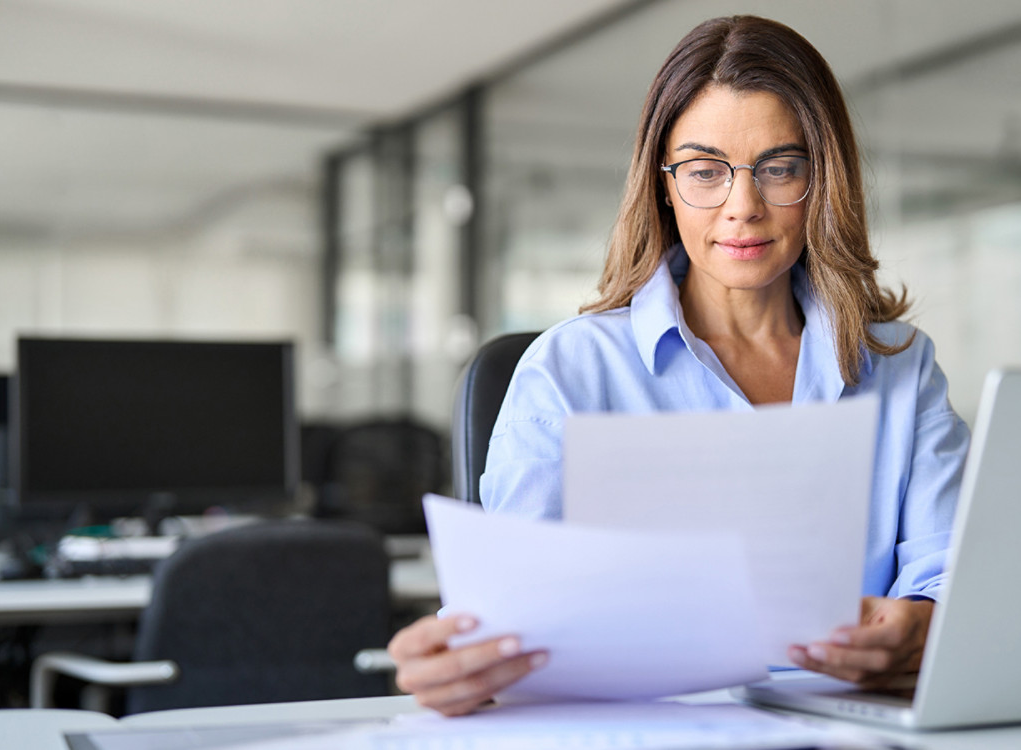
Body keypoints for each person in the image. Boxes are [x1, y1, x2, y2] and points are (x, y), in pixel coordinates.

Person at [388, 15, 970, 717]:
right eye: (704, 172)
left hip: (848, 729)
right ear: (663, 184)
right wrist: (459, 669)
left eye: (781, 168)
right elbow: (504, 631)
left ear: (824, 179)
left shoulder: (900, 367)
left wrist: (925, 632)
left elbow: (952, 590)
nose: (743, 208)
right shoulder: (570, 372)